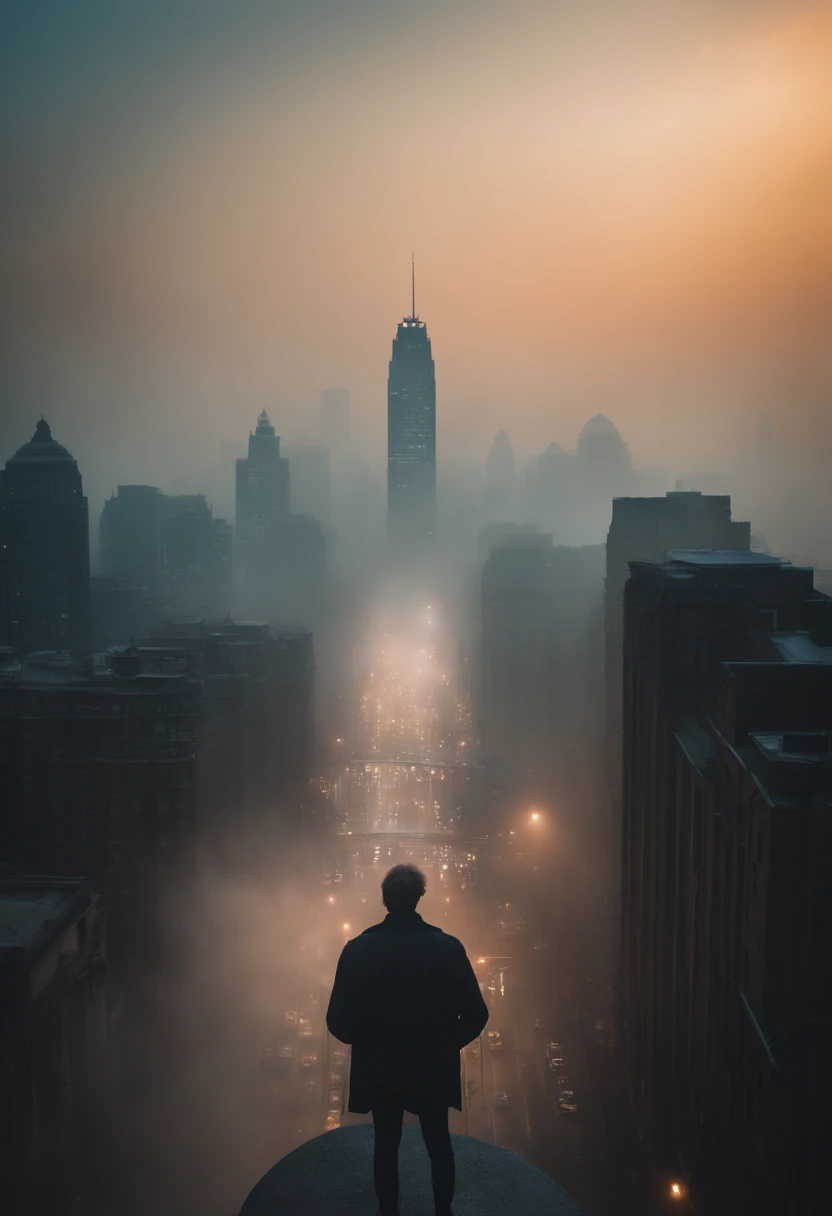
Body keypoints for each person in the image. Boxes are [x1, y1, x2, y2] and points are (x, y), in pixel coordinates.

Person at [326, 863, 489, 1216]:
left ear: (385, 901)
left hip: (382, 1069)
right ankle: (443, 1211)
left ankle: (389, 1211)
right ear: (419, 898)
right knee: (439, 1144)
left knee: (385, 1144)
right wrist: (444, 1044)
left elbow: (336, 1020)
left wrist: (371, 1043)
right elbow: (477, 1014)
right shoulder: (448, 948)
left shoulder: (357, 950)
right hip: (432, 1068)